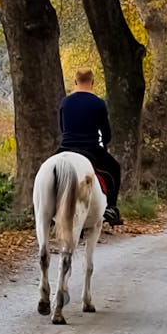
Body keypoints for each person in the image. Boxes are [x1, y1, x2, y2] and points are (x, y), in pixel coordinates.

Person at [58, 67, 122, 225]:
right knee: (114, 168)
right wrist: (105, 143)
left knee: (46, 169)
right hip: (90, 149)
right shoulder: (98, 103)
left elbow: (62, 127)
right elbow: (106, 132)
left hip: (65, 147)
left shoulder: (65, 102)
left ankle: (38, 207)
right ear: (92, 82)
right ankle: (111, 207)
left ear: (75, 81)